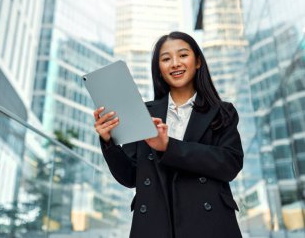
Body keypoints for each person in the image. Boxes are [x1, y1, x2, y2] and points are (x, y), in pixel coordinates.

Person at [93, 31, 243, 238]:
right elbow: (129, 177)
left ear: (197, 61)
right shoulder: (142, 113)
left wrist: (169, 147)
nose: (175, 63)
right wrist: (108, 141)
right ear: (159, 69)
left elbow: (229, 164)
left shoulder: (222, 111)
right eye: (166, 59)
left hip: (209, 225)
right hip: (154, 225)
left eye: (183, 55)